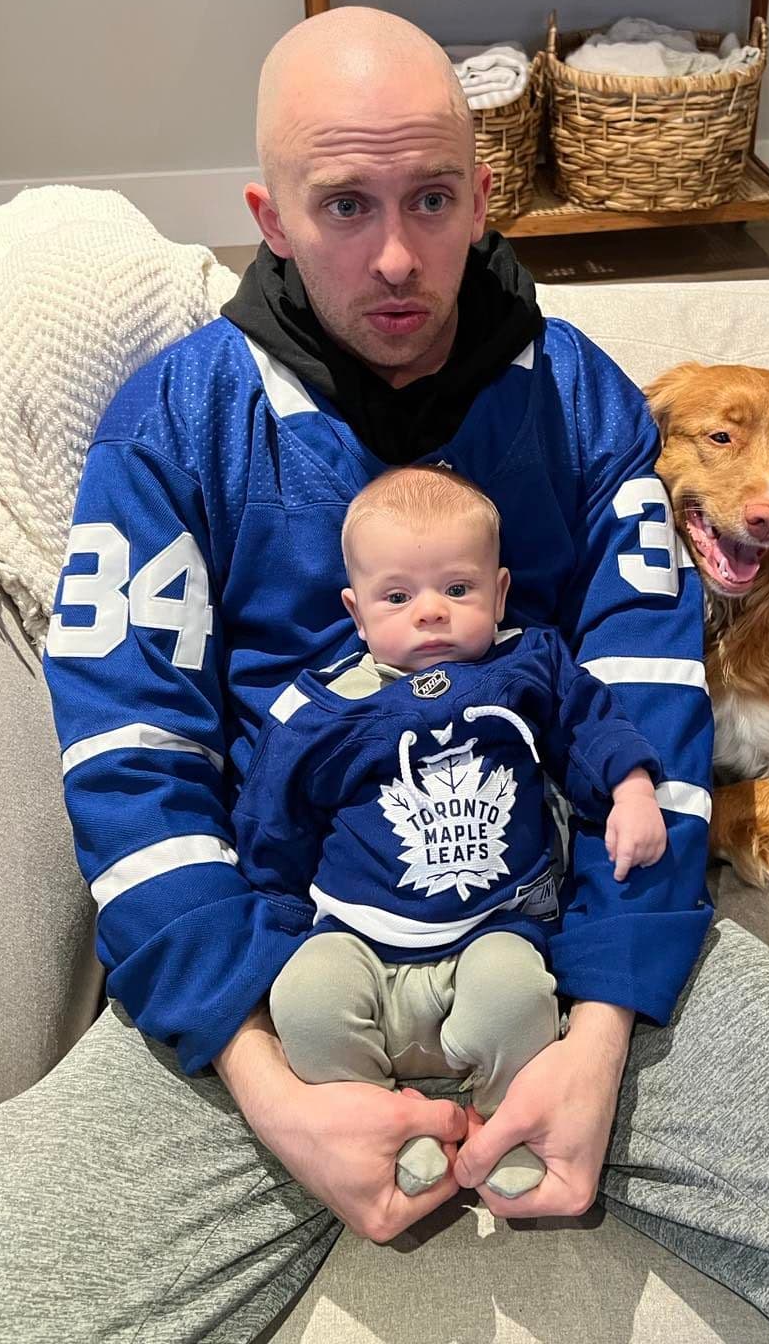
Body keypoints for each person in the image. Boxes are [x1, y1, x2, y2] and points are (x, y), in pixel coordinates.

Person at [0, 7, 769, 1343]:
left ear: (484, 198)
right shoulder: (176, 425)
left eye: (431, 197)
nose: (400, 255)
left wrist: (597, 1032)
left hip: (561, 933)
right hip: (279, 959)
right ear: (272, 215)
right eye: (344, 205)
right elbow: (130, 766)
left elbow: (646, 711)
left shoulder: (583, 406)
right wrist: (266, 1083)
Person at [241, 464, 669, 1201]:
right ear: (357, 610)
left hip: (495, 931)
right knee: (303, 999)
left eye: (458, 590)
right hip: (358, 941)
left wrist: (632, 788)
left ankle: (508, 1117)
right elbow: (270, 820)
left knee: (513, 997)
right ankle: (389, 1122)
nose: (431, 612)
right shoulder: (320, 710)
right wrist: (276, 922)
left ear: (500, 593)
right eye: (399, 597)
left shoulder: (529, 664)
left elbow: (591, 722)